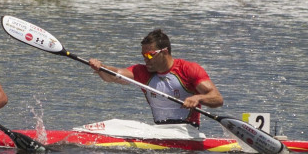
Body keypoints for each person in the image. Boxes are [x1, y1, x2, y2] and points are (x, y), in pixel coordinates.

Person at [88, 29, 223, 127]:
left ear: (164, 52)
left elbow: (217, 99)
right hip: (160, 130)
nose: (146, 59)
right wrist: (101, 67)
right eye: (143, 55)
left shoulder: (188, 69)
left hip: (187, 131)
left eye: (150, 55)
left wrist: (198, 98)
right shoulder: (141, 72)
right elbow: (114, 75)